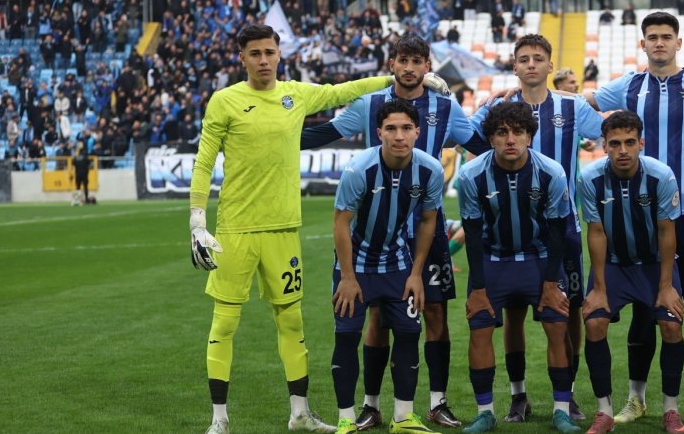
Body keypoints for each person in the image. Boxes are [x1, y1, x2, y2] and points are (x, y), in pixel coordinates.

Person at [189, 24, 397, 434]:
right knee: (224, 323)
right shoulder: (225, 101)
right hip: (235, 230)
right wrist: (197, 219)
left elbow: (342, 90)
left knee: (292, 322)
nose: (264, 60)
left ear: (279, 54)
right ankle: (219, 420)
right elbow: (204, 160)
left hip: (284, 230)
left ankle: (300, 414)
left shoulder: (295, 94)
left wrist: (395, 80)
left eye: (269, 52)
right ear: (242, 58)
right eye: (255, 53)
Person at [301, 34, 482, 430]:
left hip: (426, 225)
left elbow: (481, 143)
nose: (410, 68)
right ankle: (370, 406)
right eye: (403, 60)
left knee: (434, 312)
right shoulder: (370, 104)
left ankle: (436, 402)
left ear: (428, 66)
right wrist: (269, 135)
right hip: (378, 229)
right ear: (393, 63)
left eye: (417, 61)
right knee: (377, 316)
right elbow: (325, 132)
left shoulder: (445, 106)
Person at [584, 12, 684, 425]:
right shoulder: (628, 86)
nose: (659, 43)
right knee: (643, 310)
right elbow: (583, 102)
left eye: (666, 36)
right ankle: (636, 399)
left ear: (678, 43)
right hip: (639, 210)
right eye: (652, 37)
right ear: (643, 44)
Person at [470, 35, 604, 423]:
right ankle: (518, 396)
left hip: (563, 227)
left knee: (569, 310)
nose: (531, 64)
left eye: (538, 58)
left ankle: (569, 395)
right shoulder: (499, 107)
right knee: (512, 314)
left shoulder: (572, 106)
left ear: (549, 65)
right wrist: (484, 104)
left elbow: (607, 133)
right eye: (524, 59)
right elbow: (463, 134)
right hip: (510, 228)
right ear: (514, 66)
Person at [457, 102, 576, 434]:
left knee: (557, 327)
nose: (510, 140)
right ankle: (485, 413)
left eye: (518, 132)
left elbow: (557, 232)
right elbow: (472, 233)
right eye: (502, 133)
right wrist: (478, 288)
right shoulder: (471, 175)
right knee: (480, 329)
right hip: (493, 260)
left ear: (530, 136)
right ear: (491, 138)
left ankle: (562, 410)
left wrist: (551, 284)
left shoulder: (552, 172)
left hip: (540, 258)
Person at [329, 100, 445, 434]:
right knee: (347, 336)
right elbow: (341, 224)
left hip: (398, 263)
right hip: (356, 266)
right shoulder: (358, 170)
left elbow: (428, 220)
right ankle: (346, 420)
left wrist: (416, 274)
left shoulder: (430, 170)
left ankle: (403, 417)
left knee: (409, 333)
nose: (399, 136)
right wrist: (347, 277)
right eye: (391, 129)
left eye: (406, 128)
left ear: (417, 132)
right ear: (379, 132)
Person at [577, 111, 684, 434]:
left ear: (642, 143)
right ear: (604, 146)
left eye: (629, 142)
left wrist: (666, 286)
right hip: (614, 264)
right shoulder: (590, 178)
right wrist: (599, 288)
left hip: (654, 264)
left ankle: (671, 409)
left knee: (671, 326)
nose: (622, 150)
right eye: (615, 144)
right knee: (594, 322)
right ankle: (604, 412)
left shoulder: (661, 176)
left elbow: (667, 232)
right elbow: (596, 232)